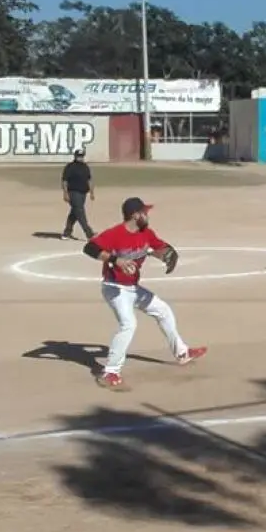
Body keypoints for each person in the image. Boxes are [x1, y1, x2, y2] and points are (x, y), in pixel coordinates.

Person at [82, 197, 207, 389]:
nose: (147, 215)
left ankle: (182, 353)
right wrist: (115, 260)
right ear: (134, 215)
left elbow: (162, 248)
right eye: (144, 212)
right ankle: (110, 372)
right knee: (128, 324)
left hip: (133, 288)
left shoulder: (146, 233)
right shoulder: (115, 233)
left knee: (163, 310)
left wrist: (168, 255)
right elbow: (89, 248)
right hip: (114, 287)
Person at [61, 148, 96, 240]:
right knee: (80, 212)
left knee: (75, 212)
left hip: (83, 193)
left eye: (81, 156)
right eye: (78, 156)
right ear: (75, 156)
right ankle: (89, 233)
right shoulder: (70, 167)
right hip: (73, 192)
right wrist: (65, 193)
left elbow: (89, 180)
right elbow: (64, 181)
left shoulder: (85, 167)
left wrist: (91, 192)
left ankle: (66, 233)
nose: (80, 158)